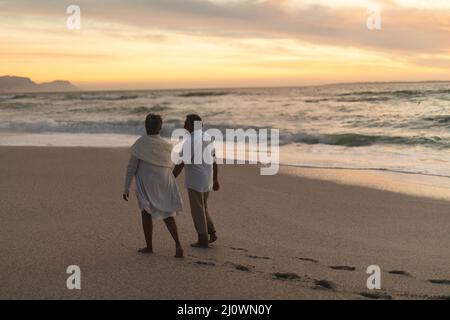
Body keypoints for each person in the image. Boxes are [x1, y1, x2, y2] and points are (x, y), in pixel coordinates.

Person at [123, 114, 184, 258]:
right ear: (160, 127)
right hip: (164, 181)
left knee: (146, 212)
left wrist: (126, 187)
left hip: (147, 183)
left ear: (146, 126)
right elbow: (170, 164)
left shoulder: (140, 144)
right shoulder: (166, 145)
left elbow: (131, 167)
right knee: (168, 214)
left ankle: (149, 246)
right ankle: (178, 244)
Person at [173, 114, 220, 248]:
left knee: (197, 209)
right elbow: (215, 161)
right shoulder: (208, 138)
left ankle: (203, 238)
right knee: (203, 206)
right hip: (208, 178)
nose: (184, 124)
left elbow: (181, 163)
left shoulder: (191, 141)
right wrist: (215, 179)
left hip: (196, 180)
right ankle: (211, 232)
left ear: (192, 125)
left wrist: (170, 179)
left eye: (186, 122)